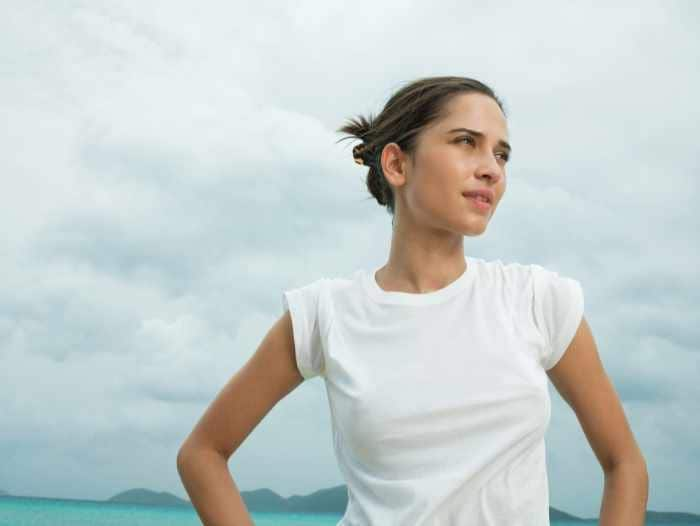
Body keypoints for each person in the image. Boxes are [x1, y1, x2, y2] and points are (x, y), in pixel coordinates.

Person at [177, 76, 648, 525]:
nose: (492, 168)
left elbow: (623, 462)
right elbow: (203, 454)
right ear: (397, 164)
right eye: (466, 142)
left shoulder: (537, 301)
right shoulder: (325, 315)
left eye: (501, 154)